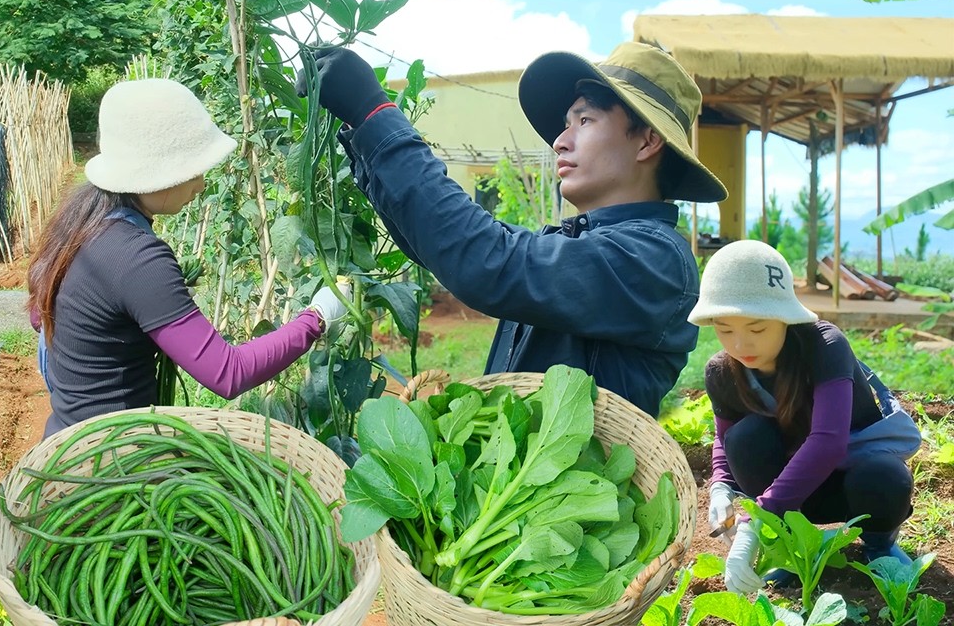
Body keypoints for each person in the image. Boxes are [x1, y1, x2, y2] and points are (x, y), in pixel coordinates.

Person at [299, 42, 727, 415]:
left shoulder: (652, 259)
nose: (560, 140)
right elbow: (441, 246)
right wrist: (364, 134)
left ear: (647, 142)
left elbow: (487, 261)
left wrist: (376, 114)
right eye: (566, 123)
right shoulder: (581, 242)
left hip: (573, 507)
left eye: (584, 121)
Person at [27, 78, 350, 438]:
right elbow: (229, 374)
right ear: (157, 174)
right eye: (192, 170)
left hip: (66, 439)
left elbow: (50, 317)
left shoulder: (82, 224)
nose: (200, 184)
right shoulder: (136, 258)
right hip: (111, 462)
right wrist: (316, 319)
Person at [690, 240, 921, 594]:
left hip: (855, 484)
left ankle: (879, 545)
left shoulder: (824, 346)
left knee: (885, 474)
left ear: (784, 317)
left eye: (756, 329)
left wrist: (756, 520)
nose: (740, 345)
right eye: (724, 329)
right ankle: (788, 548)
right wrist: (720, 488)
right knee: (745, 437)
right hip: (792, 494)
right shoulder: (722, 372)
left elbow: (828, 442)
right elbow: (725, 441)